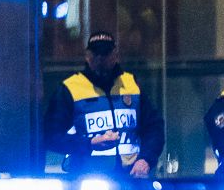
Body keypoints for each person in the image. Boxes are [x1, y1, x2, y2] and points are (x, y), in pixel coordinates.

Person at [43, 30, 165, 177]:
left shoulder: (131, 85)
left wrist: (146, 159)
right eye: (96, 53)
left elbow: (154, 127)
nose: (100, 58)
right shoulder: (70, 89)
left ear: (115, 55)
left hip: (131, 177)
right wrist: (89, 143)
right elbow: (51, 135)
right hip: (87, 180)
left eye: (105, 53)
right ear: (87, 56)